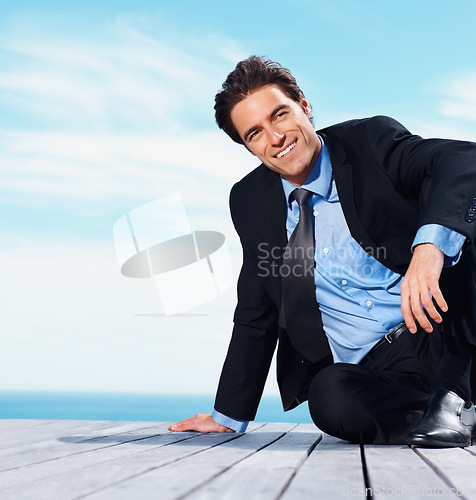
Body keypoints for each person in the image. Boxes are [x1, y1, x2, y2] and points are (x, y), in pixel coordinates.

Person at [169, 56, 476, 446]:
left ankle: (454, 398)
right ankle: (449, 414)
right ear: (247, 147)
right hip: (376, 370)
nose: (275, 138)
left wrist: (429, 250)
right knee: (329, 396)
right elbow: (257, 308)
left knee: (458, 231)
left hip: (447, 330)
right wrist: (229, 415)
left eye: (279, 115)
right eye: (255, 134)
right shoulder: (250, 200)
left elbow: (465, 161)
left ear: (304, 105)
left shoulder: (368, 142)